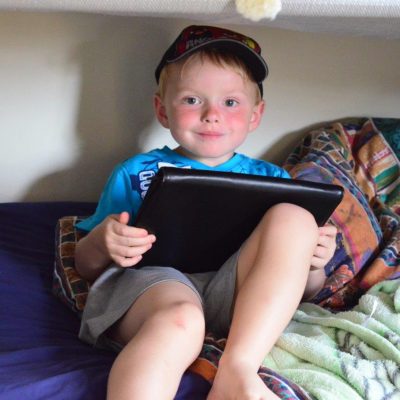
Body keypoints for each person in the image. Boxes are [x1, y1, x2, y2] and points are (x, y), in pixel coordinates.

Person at [75, 25, 337, 400]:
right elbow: (85, 265)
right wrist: (104, 241)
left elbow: (305, 290)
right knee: (181, 319)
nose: (212, 114)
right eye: (192, 100)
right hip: (154, 290)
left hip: (238, 298)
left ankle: (237, 369)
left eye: (230, 102)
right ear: (162, 110)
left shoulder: (275, 180)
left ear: (255, 115)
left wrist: (314, 263)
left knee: (295, 218)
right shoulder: (136, 172)